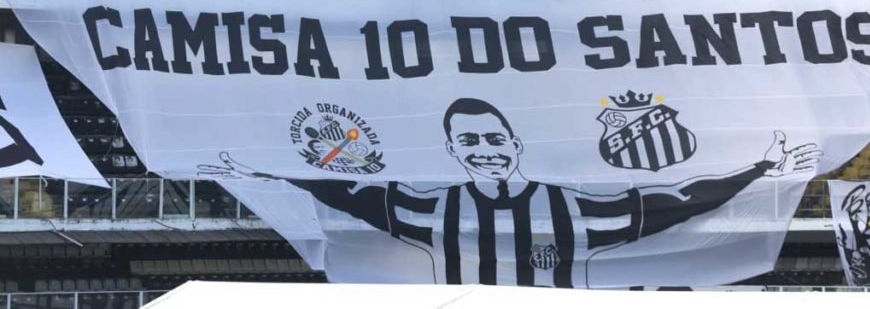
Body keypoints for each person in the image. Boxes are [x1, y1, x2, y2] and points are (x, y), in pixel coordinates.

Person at [218, 97, 820, 287]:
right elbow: (346, 192)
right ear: (453, 151)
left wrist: (759, 167)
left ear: (513, 141)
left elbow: (676, 202)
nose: (485, 148)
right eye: (470, 140)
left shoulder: (572, 207)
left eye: (493, 137)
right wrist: (267, 166)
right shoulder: (430, 207)